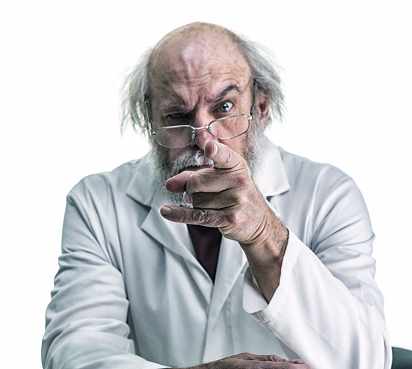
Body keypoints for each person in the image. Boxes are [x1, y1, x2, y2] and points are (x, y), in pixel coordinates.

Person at [41, 22, 392, 369]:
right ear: (148, 117)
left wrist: (264, 234)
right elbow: (76, 350)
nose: (203, 139)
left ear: (261, 107)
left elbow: (366, 360)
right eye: (177, 115)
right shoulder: (97, 202)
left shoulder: (328, 195)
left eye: (223, 108)